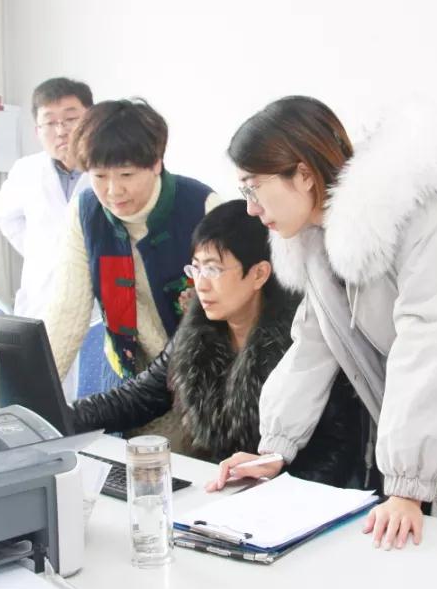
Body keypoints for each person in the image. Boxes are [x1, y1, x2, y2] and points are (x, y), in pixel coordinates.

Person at [210, 96, 437, 550]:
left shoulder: (416, 221)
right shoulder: (315, 239)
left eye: (253, 188)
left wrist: (405, 486)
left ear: (302, 174)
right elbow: (313, 345)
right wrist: (275, 447)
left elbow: (424, 345)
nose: (250, 208)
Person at [71, 200, 366, 485]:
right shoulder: (197, 332)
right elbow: (139, 397)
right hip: (221, 488)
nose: (201, 284)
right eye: (196, 268)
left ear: (259, 273)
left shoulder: (301, 340)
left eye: (213, 269)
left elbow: (336, 451)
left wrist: (271, 491)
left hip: (292, 496)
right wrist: (59, 419)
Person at [42, 97, 220, 408]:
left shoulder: (202, 207)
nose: (113, 191)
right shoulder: (85, 213)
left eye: (126, 175)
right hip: (128, 376)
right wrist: (34, 398)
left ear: (156, 163)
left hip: (200, 377)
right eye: (99, 176)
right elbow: (67, 312)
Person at [0, 78, 94, 399]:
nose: (61, 131)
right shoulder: (26, 170)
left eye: (71, 118)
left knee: (94, 398)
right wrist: (43, 255)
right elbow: (4, 215)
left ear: (91, 120)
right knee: (42, 397)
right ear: (37, 130)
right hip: (41, 300)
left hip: (95, 309)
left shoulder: (107, 171)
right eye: (50, 122)